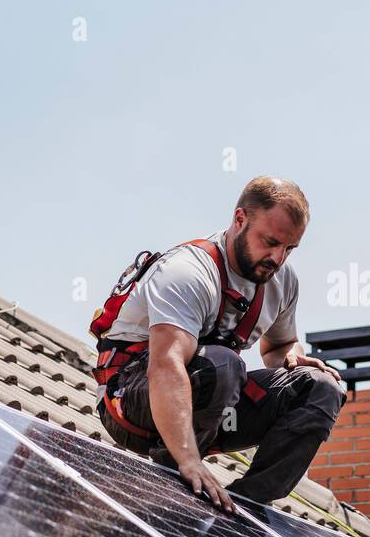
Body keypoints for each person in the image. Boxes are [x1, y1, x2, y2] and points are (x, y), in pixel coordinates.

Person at [92, 175, 345, 513]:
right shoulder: (188, 272)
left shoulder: (281, 280)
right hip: (134, 405)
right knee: (225, 363)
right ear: (240, 219)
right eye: (270, 242)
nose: (278, 257)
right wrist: (188, 459)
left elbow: (276, 349)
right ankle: (175, 477)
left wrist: (293, 358)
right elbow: (166, 365)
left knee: (322, 387)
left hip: (212, 410)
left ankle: (246, 507)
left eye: (289, 248)